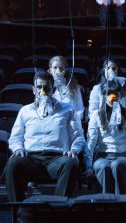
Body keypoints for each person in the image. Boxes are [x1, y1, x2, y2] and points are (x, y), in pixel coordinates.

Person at [4, 71, 86, 202]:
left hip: (57, 157)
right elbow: (15, 137)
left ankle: (60, 211)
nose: (43, 91)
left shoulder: (67, 109)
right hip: (30, 157)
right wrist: (18, 148)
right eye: (39, 87)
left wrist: (74, 150)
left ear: (52, 90)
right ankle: (17, 211)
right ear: (33, 90)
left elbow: (78, 137)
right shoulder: (25, 110)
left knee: (71, 163)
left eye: (47, 88)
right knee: (13, 163)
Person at [87, 80, 126, 194]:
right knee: (103, 167)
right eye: (109, 93)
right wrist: (88, 165)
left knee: (117, 165)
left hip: (123, 155)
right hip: (102, 155)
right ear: (104, 95)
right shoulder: (96, 115)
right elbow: (91, 141)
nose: (113, 96)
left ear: (120, 95)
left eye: (116, 93)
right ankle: (106, 201)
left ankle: (121, 201)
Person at [48, 55, 84, 122]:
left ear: (65, 70)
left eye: (61, 68)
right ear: (50, 70)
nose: (58, 71)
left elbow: (79, 110)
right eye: (55, 68)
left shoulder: (74, 87)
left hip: (70, 125)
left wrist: (72, 122)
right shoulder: (45, 87)